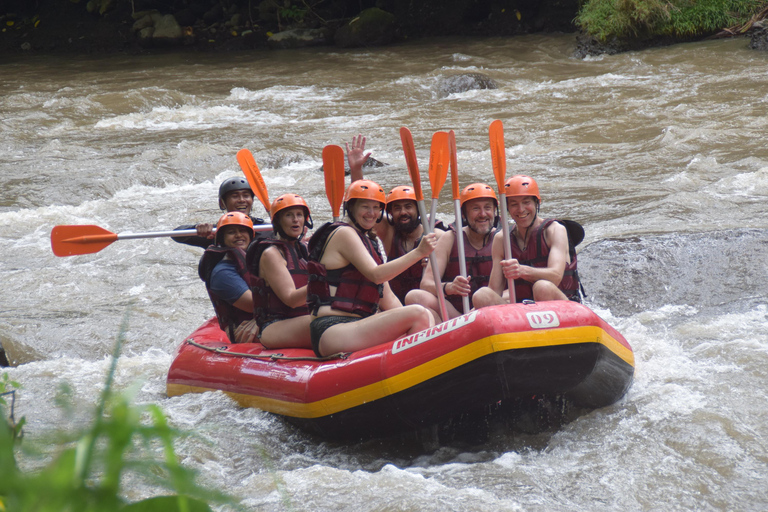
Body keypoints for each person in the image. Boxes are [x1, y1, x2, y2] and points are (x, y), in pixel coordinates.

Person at [306, 179, 438, 357]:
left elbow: (389, 298)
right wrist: (419, 252)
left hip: (359, 325)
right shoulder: (344, 233)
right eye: (365, 207)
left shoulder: (369, 243)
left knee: (426, 316)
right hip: (332, 328)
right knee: (419, 314)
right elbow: (376, 275)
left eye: (376, 208)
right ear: (351, 208)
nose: (371, 213)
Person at [345, 136, 445, 304]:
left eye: (408, 206)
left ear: (418, 209)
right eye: (397, 208)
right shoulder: (389, 231)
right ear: (390, 212)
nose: (403, 212)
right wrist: (356, 170)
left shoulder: (437, 235)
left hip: (428, 303)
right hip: (395, 305)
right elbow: (362, 208)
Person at [472, 175, 582, 307]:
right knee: (482, 295)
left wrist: (522, 271)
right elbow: (495, 291)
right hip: (522, 313)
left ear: (537, 203)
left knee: (542, 287)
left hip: (563, 307)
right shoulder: (502, 239)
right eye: (514, 204)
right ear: (507, 208)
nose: (521, 209)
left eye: (526, 202)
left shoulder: (555, 230)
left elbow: (555, 276)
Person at [405, 183, 499, 322]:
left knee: (484, 296)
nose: (483, 214)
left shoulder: (502, 239)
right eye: (475, 209)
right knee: (414, 296)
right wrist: (449, 287)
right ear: (463, 214)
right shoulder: (450, 238)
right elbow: (426, 284)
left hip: (491, 309)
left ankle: (469, 321)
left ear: (495, 211)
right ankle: (456, 330)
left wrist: (482, 304)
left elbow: (516, 288)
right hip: (456, 317)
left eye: (487, 208)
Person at [246, 193, 313, 349]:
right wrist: (326, 280)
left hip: (301, 319)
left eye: (299, 215)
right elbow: (292, 299)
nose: (295, 219)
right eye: (289, 215)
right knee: (328, 320)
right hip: (275, 325)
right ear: (277, 221)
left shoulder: (304, 251)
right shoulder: (271, 254)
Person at [198, 211, 259, 344]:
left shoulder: (257, 259)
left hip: (264, 320)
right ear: (222, 238)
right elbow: (252, 304)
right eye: (231, 232)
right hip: (246, 330)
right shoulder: (222, 273)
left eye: (243, 231)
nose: (238, 235)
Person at [174, 176, 268, 249]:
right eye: (235, 196)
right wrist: (197, 228)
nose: (241, 200)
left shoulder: (265, 229)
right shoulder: (216, 233)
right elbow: (176, 235)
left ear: (252, 200)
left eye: (246, 195)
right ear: (222, 204)